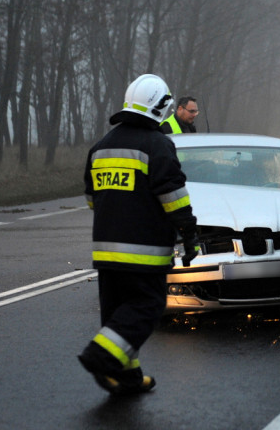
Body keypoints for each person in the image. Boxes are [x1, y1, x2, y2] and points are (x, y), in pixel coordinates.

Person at [78, 74, 200, 395]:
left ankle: (127, 377)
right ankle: (101, 357)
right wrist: (189, 235)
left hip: (106, 252)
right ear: (160, 108)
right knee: (146, 308)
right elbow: (174, 198)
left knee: (119, 316)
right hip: (145, 250)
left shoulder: (101, 146)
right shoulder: (158, 145)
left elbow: (92, 199)